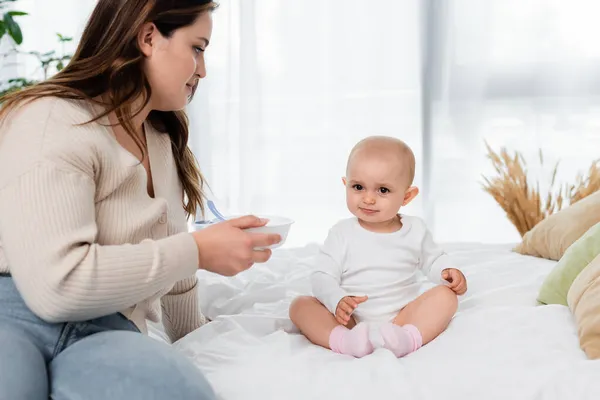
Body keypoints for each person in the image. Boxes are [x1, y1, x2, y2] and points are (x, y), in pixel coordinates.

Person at [0, 1, 281, 399]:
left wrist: (196, 333)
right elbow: (55, 288)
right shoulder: (50, 118)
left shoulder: (161, 142)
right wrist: (196, 250)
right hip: (14, 313)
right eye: (197, 48)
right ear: (148, 37)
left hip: (110, 328)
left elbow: (177, 270)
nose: (202, 69)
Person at [289, 136, 467, 358]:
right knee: (300, 306)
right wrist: (337, 300)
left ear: (407, 196)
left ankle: (406, 339)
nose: (368, 199)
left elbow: (433, 259)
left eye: (382, 190)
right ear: (346, 185)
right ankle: (346, 342)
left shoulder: (415, 229)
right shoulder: (342, 233)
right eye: (358, 187)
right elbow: (321, 276)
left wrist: (446, 271)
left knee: (446, 296)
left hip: (402, 317)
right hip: (349, 319)